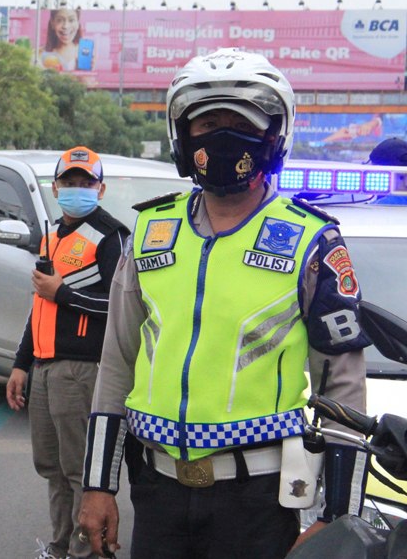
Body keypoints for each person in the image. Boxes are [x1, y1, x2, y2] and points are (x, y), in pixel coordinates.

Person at [78, 48, 371, 559]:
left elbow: (342, 387)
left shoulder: (312, 241)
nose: (221, 136)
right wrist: (98, 484)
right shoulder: (149, 232)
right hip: (157, 493)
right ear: (182, 136)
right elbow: (116, 364)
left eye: (240, 123)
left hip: (260, 502)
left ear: (274, 134)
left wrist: (338, 515)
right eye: (208, 123)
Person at [5, 146, 129, 559]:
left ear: (101, 188)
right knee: (52, 467)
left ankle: (86, 551)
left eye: (86, 182)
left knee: (80, 471)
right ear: (56, 188)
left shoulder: (111, 236)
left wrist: (65, 294)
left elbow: (120, 306)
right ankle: (60, 546)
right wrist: (21, 363)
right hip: (45, 367)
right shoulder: (53, 235)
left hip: (81, 369)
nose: (78, 189)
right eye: (69, 182)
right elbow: (40, 306)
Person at [41, 7, 82, 73]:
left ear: (78, 23)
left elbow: (89, 79)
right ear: (52, 23)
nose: (65, 26)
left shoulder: (84, 53)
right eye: (59, 20)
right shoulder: (41, 54)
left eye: (71, 20)